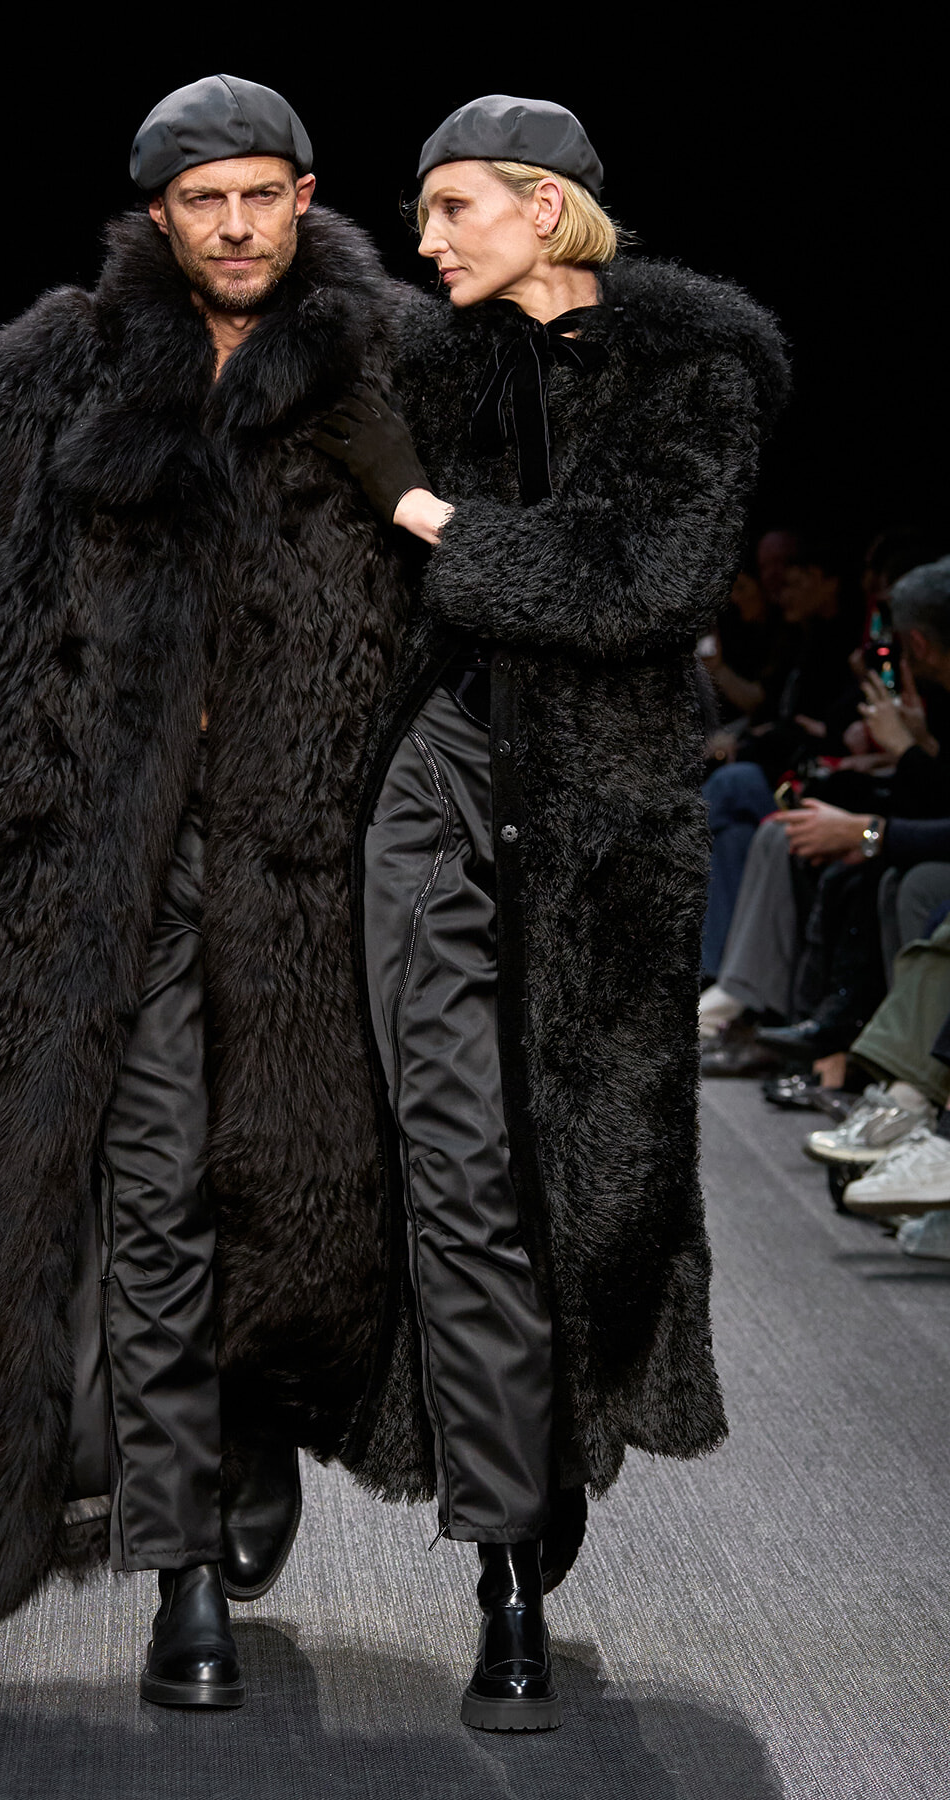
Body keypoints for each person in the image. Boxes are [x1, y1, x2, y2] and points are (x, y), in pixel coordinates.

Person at [0, 76, 414, 1708]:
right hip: (111, 864)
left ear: (306, 193)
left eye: (261, 194)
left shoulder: (399, 361)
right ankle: (178, 1560)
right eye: (204, 201)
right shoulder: (41, 381)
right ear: (156, 213)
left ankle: (254, 1431)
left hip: (320, 859)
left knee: (310, 1192)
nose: (238, 226)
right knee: (155, 1195)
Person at [318, 95, 789, 1731]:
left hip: (601, 816)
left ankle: (556, 1437)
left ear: (548, 208)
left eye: (453, 208)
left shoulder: (695, 370)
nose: (426, 239)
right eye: (420, 212)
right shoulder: (415, 369)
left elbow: (636, 587)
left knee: (585, 1180)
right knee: (453, 1161)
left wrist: (425, 511)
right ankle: (503, 1561)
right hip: (433, 775)